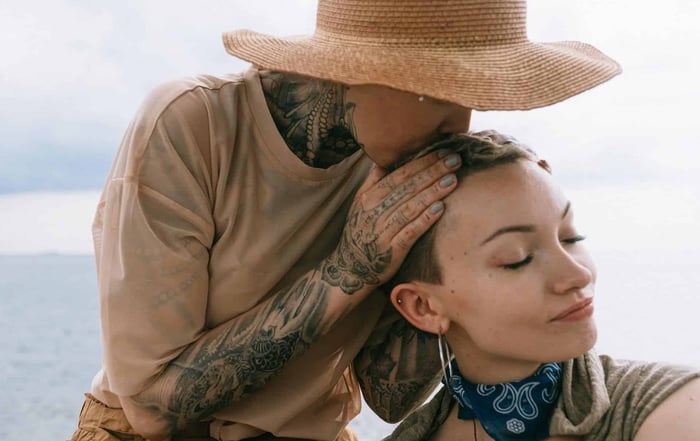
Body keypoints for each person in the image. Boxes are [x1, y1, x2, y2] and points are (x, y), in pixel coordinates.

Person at [69, 1, 622, 440]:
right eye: (445, 90)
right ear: (352, 70)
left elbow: (388, 395)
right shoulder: (193, 125)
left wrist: (462, 251)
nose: (462, 123)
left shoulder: (403, 159)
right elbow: (152, 409)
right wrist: (350, 270)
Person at [383, 132, 700, 441]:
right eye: (517, 259)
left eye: (570, 237)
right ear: (423, 307)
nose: (578, 274)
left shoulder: (671, 407)